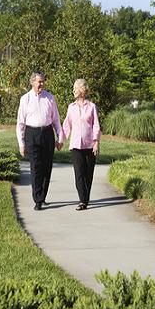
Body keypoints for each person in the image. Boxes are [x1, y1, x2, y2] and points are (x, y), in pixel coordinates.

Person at [16, 72, 63, 211]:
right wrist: (21, 144)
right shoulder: (25, 99)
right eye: (39, 82)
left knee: (46, 167)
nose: (41, 84)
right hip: (32, 134)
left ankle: (42, 196)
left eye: (43, 81)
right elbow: (20, 124)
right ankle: (37, 200)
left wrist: (59, 138)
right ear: (32, 82)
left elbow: (56, 120)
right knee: (36, 167)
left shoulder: (50, 98)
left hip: (47, 133)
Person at [63, 79, 101, 211]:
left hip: (89, 145)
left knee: (88, 174)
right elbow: (67, 124)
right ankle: (82, 200)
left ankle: (85, 198)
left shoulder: (92, 107)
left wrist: (96, 142)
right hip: (75, 145)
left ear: (83, 90)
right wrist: (61, 139)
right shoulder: (71, 107)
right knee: (79, 173)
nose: (73, 90)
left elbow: (96, 125)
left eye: (76, 88)